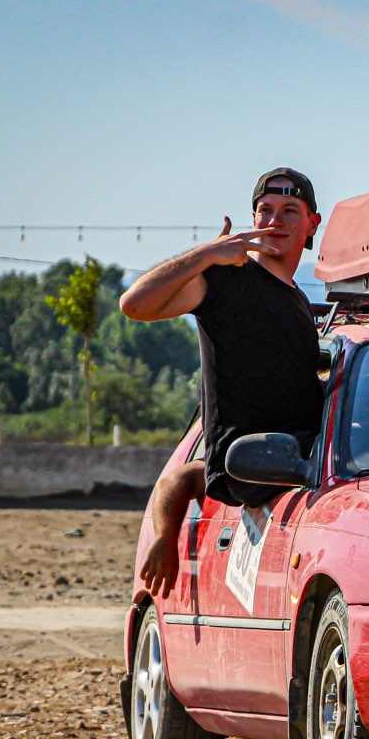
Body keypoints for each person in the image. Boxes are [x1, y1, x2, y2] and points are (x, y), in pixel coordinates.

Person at [121, 168, 325, 598]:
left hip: (304, 467)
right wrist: (206, 254)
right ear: (253, 218)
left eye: (290, 210)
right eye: (266, 210)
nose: (275, 220)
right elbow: (135, 304)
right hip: (250, 468)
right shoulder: (226, 280)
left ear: (312, 224)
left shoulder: (300, 304)